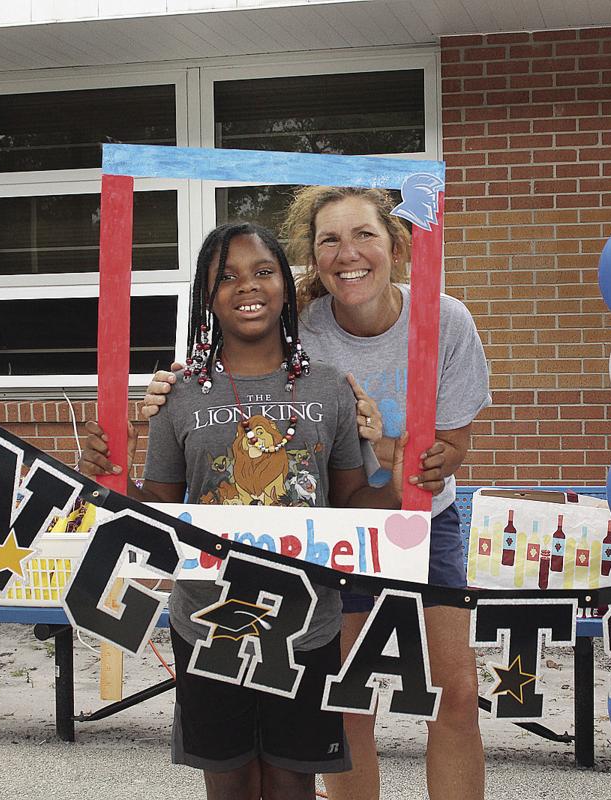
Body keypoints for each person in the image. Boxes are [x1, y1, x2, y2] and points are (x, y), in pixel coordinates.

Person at [142, 187, 492, 800]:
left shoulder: (445, 319)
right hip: (330, 529)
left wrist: (408, 459)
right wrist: (162, 393)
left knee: (455, 692)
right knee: (348, 694)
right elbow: (229, 362)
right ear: (313, 257)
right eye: (330, 239)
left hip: (423, 518)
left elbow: (453, 443)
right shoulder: (299, 321)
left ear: (395, 244)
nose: (348, 253)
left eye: (365, 235)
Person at [78, 221, 406, 800]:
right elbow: (158, 508)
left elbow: (353, 503)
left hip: (306, 624)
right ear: (207, 296)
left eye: (262, 271)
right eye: (225, 277)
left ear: (286, 284)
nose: (246, 287)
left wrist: (402, 477)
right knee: (227, 780)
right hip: (209, 621)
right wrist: (108, 477)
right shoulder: (179, 392)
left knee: (292, 780)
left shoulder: (329, 387)